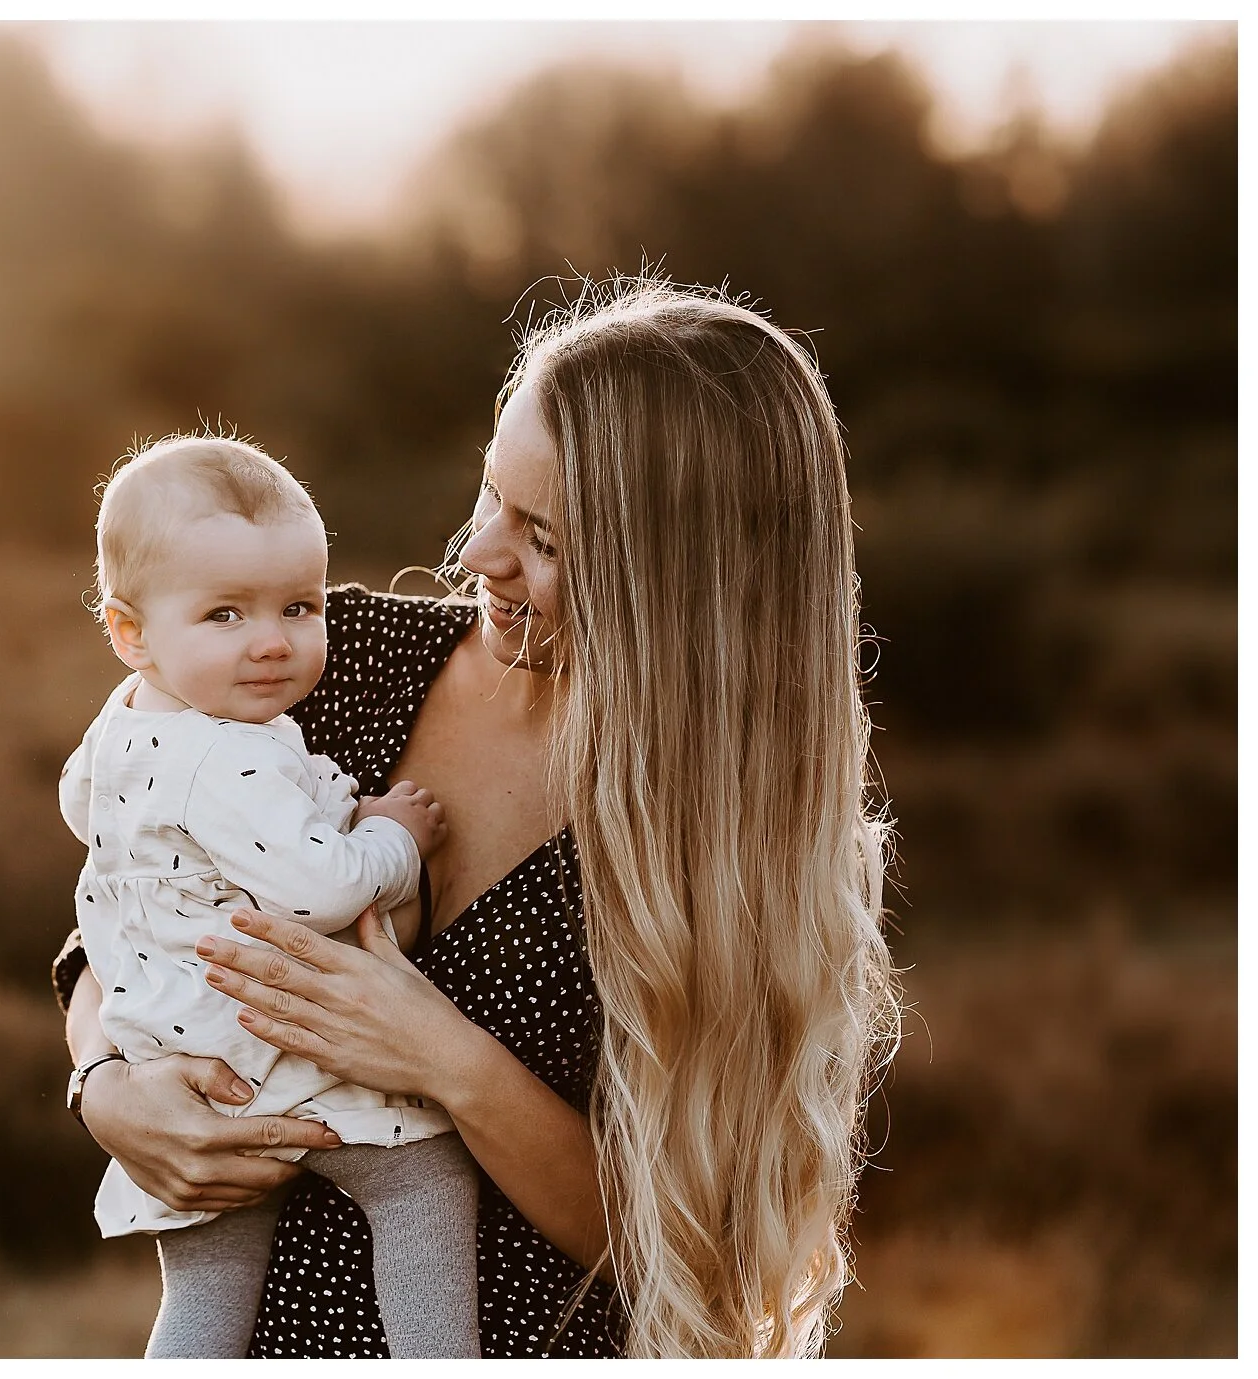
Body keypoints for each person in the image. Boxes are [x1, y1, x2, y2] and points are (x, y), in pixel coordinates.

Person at [54, 277, 901, 1358]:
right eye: (491, 493)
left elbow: (703, 1255)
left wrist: (441, 1056)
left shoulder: (730, 842)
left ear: (673, 577)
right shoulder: (330, 661)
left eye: (540, 536)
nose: (475, 555)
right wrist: (107, 1085)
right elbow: (123, 907)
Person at [60, 435, 481, 1358]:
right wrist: (392, 840)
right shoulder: (227, 750)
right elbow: (318, 889)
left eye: (299, 605)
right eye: (224, 613)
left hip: (178, 1064)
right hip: (274, 1059)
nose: (272, 640)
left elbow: (82, 814)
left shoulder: (126, 720)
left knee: (206, 1290)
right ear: (130, 630)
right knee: (421, 1180)